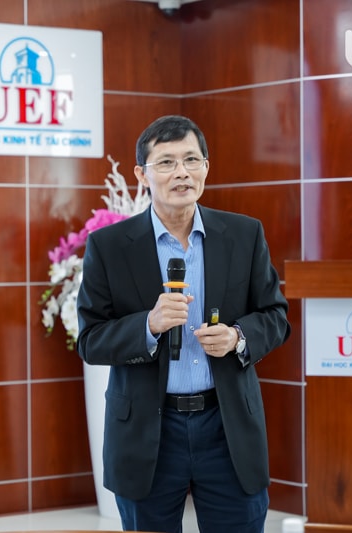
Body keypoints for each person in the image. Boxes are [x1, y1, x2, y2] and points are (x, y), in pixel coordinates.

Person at [76, 114, 290, 533]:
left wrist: (237, 337)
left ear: (206, 167)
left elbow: (275, 316)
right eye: (166, 162)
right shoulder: (109, 246)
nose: (182, 173)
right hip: (148, 430)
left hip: (226, 426)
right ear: (141, 174)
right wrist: (148, 325)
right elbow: (90, 339)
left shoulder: (244, 235)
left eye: (191, 160)